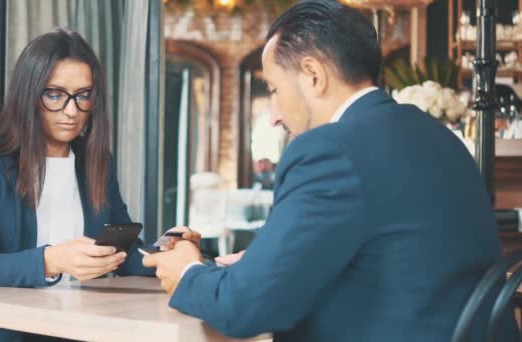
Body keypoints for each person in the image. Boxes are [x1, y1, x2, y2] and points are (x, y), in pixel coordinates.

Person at [142, 1, 516, 341]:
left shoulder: (329, 151)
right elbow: (396, 253)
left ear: (312, 75)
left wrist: (188, 272)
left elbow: (245, 309)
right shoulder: (437, 136)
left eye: (273, 88)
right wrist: (268, 261)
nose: (274, 115)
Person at [0, 29, 199, 341]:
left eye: (83, 95)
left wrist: (167, 253)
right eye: (55, 94)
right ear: (29, 95)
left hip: (78, 327)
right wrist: (51, 260)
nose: (71, 110)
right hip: (3, 331)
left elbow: (121, 251)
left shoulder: (95, 161)